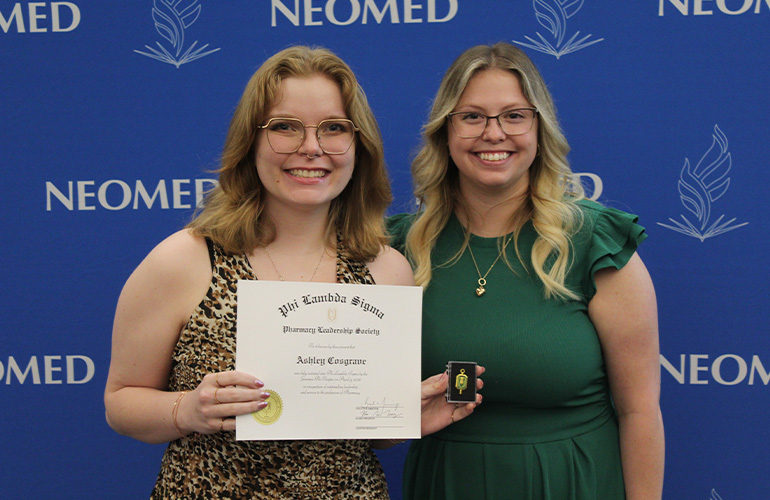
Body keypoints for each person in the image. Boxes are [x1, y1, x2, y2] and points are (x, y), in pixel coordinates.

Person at [104, 46, 471, 499]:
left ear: (359, 146)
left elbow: (369, 432)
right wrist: (188, 410)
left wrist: (401, 421)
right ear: (251, 142)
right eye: (284, 127)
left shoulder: (386, 270)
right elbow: (121, 402)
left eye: (334, 128)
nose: (311, 148)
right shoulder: (184, 260)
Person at [388, 42, 665, 500]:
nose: (493, 133)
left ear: (539, 130)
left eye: (514, 115)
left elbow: (639, 411)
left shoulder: (595, 243)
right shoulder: (396, 249)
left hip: (573, 484)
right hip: (446, 483)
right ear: (445, 131)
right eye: (472, 116)